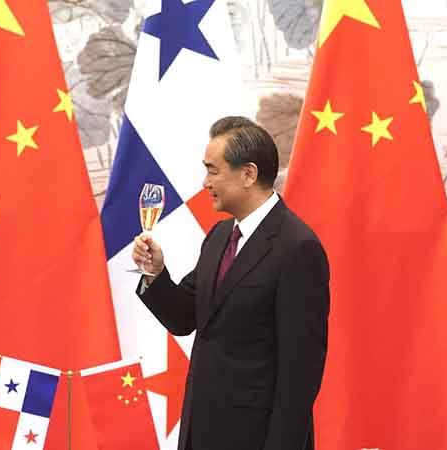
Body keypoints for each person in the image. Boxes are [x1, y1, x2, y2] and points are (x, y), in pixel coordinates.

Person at [132, 117, 330, 450]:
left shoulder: (298, 247)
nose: (205, 182)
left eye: (213, 171)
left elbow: (300, 374)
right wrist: (155, 273)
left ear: (248, 174)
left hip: (255, 438)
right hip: (200, 432)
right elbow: (184, 318)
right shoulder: (220, 235)